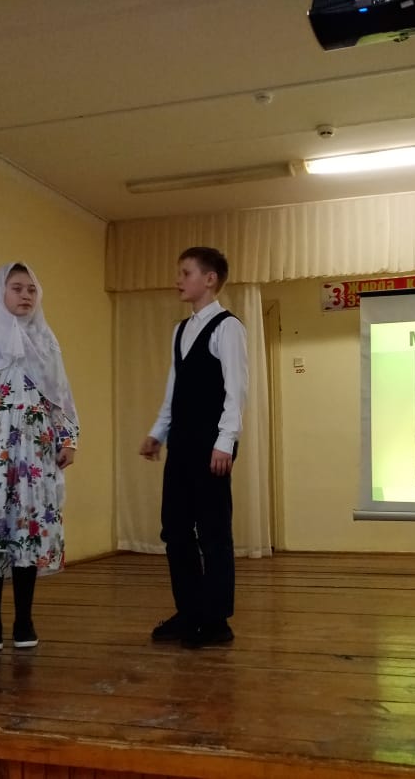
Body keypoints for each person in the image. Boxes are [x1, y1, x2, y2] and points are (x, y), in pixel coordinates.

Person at [0, 263, 78, 652]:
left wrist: (68, 438)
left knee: (27, 529)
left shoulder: (46, 342)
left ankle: (24, 619)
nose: (25, 296)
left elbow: (60, 395)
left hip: (35, 452)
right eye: (17, 288)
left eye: (31, 289)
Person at [139, 247, 248, 649]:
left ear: (210, 279)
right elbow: (175, 389)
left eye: (186, 273)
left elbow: (237, 390)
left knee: (213, 532)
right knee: (176, 530)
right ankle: (189, 612)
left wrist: (225, 442)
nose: (178, 280)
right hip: (182, 444)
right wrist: (158, 432)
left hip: (211, 444)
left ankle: (216, 621)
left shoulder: (228, 327)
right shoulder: (180, 330)